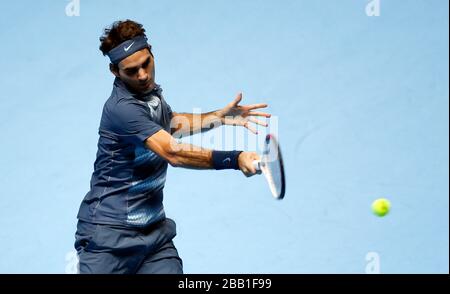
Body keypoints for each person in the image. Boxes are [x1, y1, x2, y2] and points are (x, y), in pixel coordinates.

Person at [74, 19, 271, 274]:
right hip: (108, 239)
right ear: (115, 72)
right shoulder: (121, 109)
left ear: (152, 53)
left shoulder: (149, 94)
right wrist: (235, 158)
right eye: (131, 71)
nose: (143, 75)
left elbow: (170, 123)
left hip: (154, 237)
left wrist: (218, 118)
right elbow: (172, 152)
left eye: (146, 64)